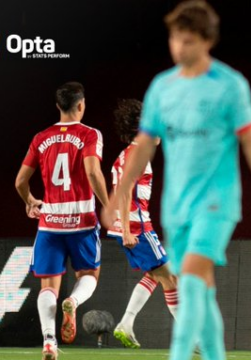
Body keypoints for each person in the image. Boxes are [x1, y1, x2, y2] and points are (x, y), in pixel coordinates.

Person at [101, 2, 251, 360]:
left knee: (187, 278)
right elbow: (143, 146)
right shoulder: (162, 88)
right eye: (174, 39)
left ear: (207, 40)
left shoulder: (230, 85)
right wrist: (116, 196)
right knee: (200, 287)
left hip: (217, 203)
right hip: (176, 209)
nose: (179, 48)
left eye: (187, 40)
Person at [15, 82, 109, 360]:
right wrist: (109, 206)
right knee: (89, 275)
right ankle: (74, 301)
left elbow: (20, 181)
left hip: (50, 222)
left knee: (48, 287)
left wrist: (30, 201)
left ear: (58, 107)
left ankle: (48, 342)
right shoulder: (90, 134)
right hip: (82, 219)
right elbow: (93, 173)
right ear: (81, 105)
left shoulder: (41, 137)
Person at [107, 99, 179, 349]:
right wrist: (127, 231)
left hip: (128, 224)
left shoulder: (128, 153)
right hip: (136, 226)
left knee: (156, 274)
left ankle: (126, 323)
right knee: (171, 278)